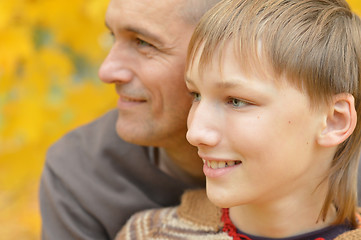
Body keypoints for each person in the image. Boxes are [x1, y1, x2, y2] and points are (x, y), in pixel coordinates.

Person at [116, 0, 361, 239]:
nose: (195, 132)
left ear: (334, 120)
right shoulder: (148, 234)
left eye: (236, 101)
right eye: (196, 95)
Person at [39, 0, 222, 239]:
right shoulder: (80, 174)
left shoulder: (287, 161)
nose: (106, 71)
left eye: (143, 43)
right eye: (112, 36)